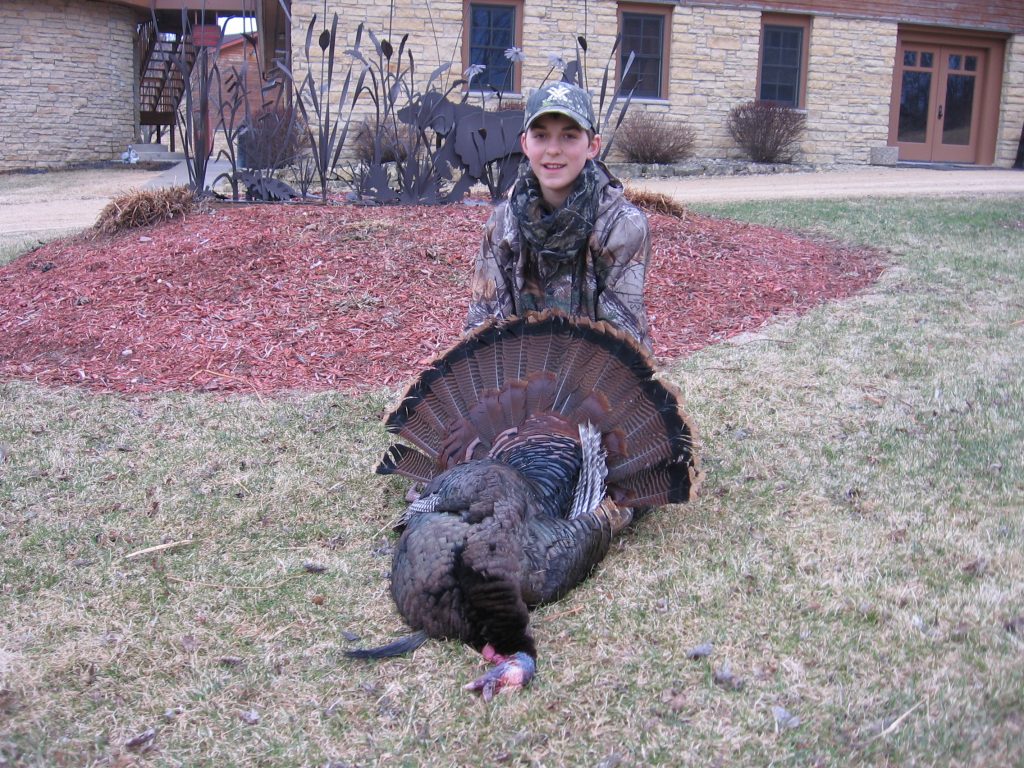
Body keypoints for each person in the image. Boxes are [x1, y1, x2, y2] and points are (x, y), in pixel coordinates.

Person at [464, 81, 652, 349]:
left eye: (569, 136)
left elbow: (621, 339)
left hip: (597, 380)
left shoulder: (622, 225)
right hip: (518, 378)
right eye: (540, 136)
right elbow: (484, 326)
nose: (553, 149)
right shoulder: (503, 221)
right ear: (525, 144)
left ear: (593, 146)